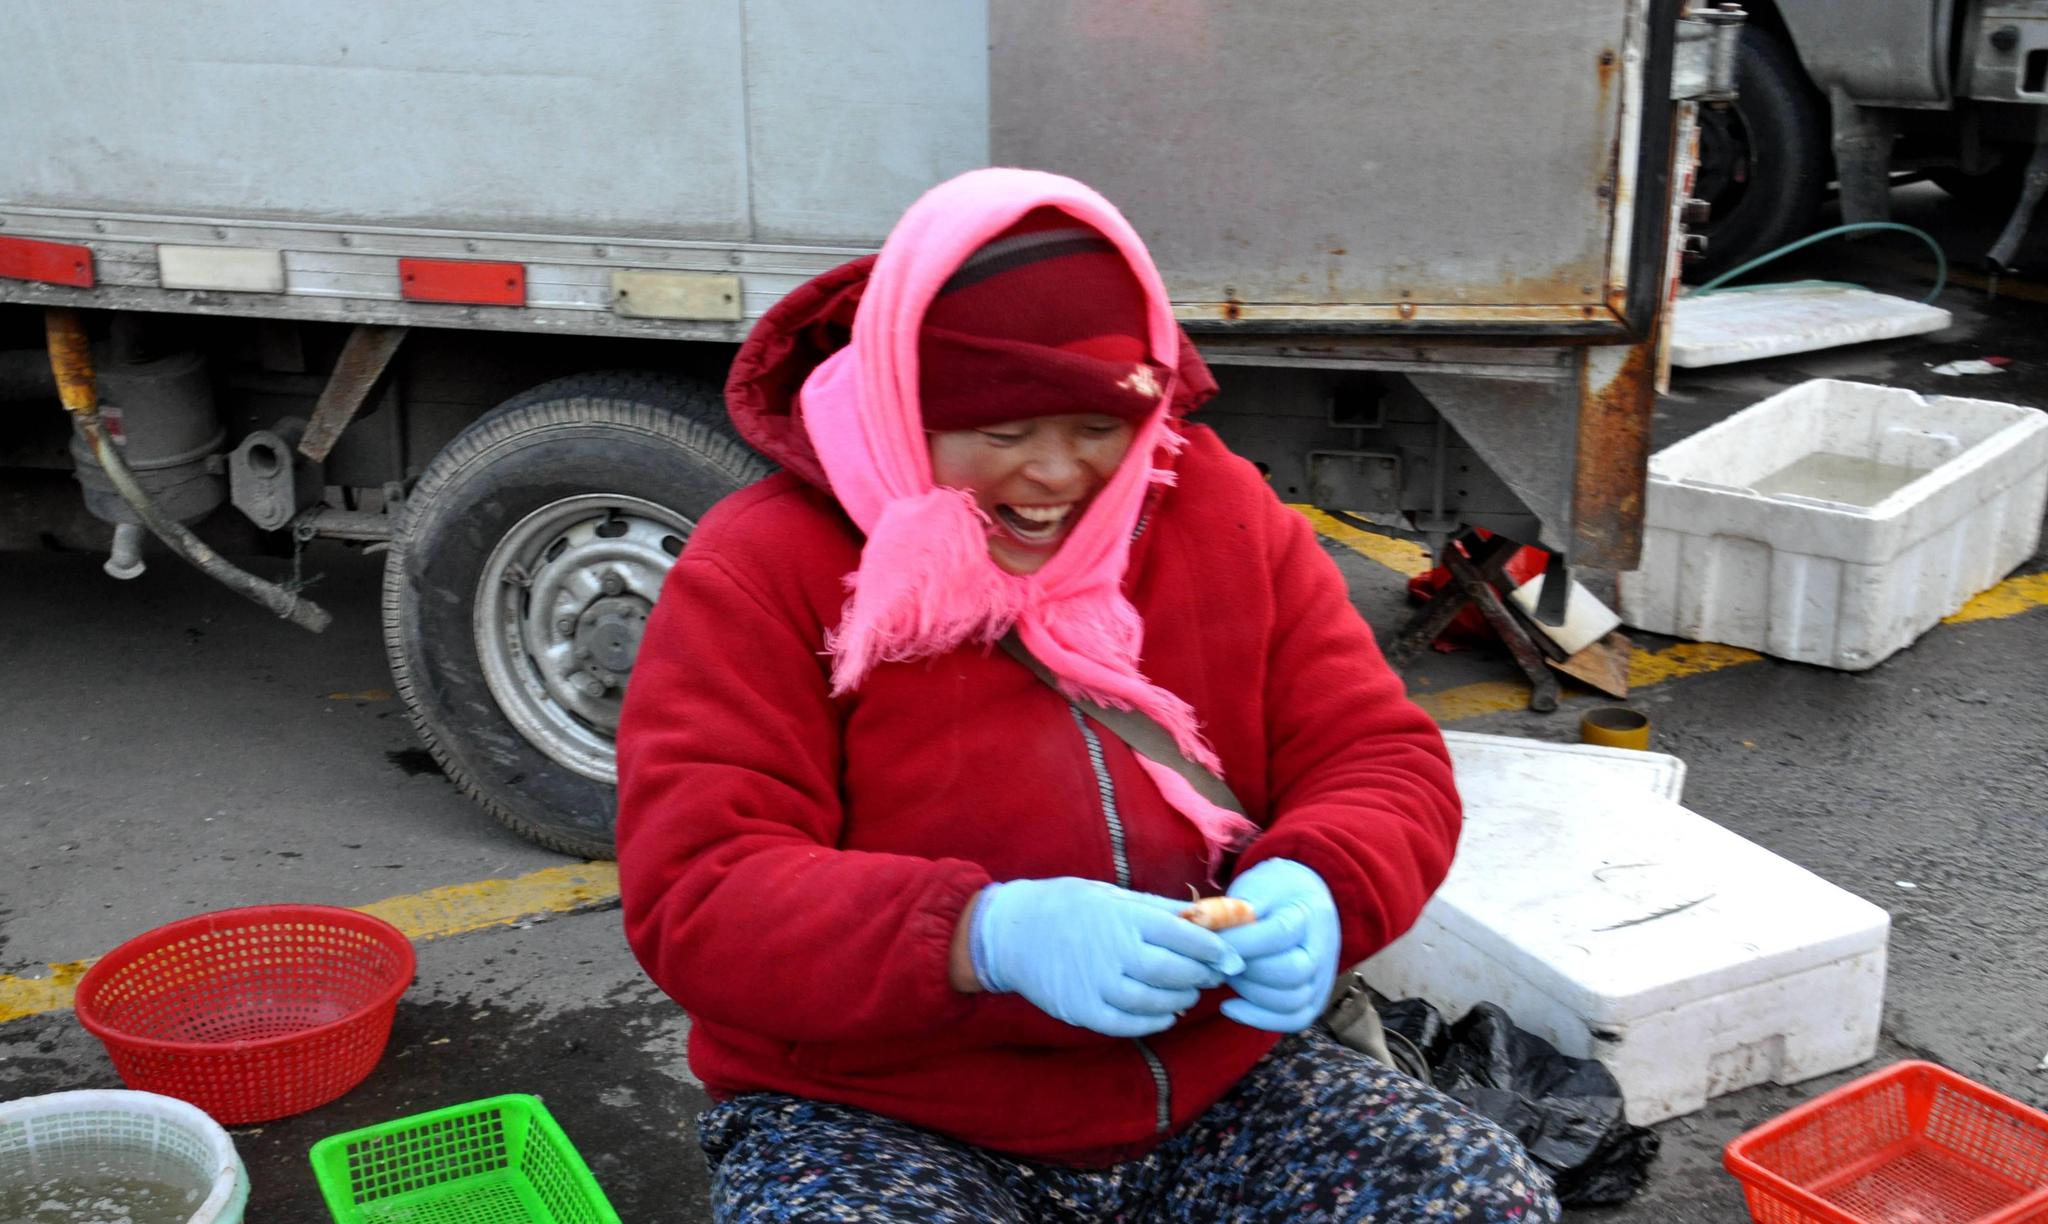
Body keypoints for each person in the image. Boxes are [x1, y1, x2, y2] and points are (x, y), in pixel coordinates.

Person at [616, 167, 1559, 1222]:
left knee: (1475, 1196)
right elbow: (700, 893)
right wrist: (983, 935)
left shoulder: (1215, 508)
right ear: (903, 398)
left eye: (1096, 428)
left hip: (1211, 1082)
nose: (1056, 473)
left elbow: (1376, 755)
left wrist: (1326, 887)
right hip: (879, 1108)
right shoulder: (762, 567)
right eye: (1002, 432)